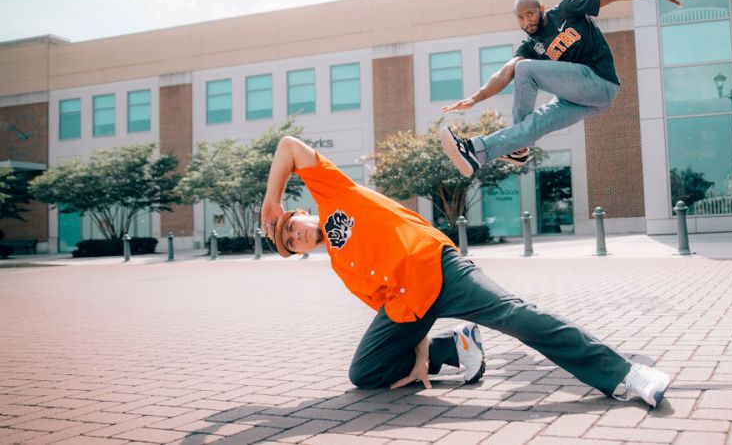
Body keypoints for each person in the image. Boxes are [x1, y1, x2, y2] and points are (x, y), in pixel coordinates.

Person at [260, 135, 672, 407]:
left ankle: (628, 374)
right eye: (289, 241)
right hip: (415, 305)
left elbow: (289, 146)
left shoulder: (336, 193)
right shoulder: (341, 266)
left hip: (439, 267)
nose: (295, 234)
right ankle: (455, 348)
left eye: (292, 225)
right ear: (297, 252)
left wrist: (271, 201)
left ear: (303, 213)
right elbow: (396, 307)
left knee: (515, 314)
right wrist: (423, 352)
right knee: (363, 372)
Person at [439, 0, 694, 177]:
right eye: (520, 18)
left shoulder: (568, 9)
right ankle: (478, 152)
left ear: (540, 9)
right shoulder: (531, 46)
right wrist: (475, 98)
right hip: (585, 101)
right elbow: (504, 73)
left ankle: (518, 144)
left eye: (530, 14)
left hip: (600, 82)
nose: (526, 21)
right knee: (535, 121)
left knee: (527, 70)